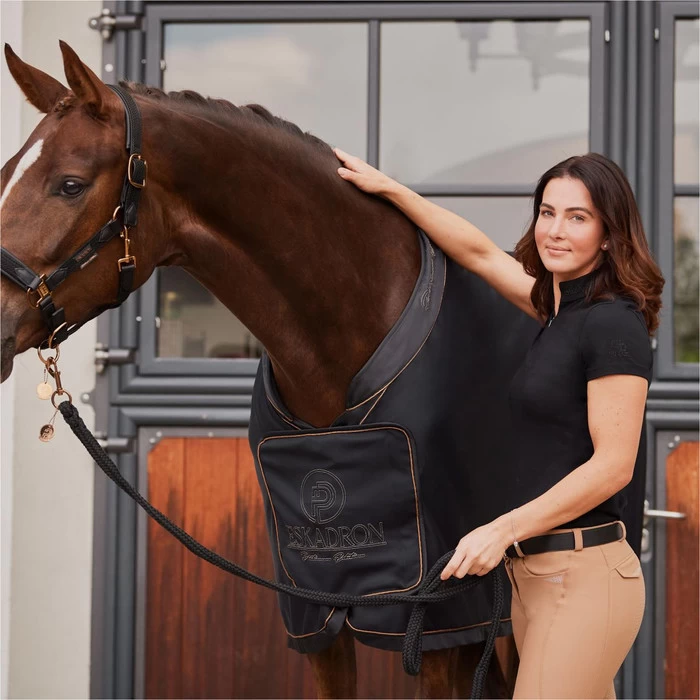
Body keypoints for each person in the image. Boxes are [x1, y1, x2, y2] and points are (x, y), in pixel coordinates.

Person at [333, 148, 664, 699]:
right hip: (534, 580)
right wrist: (390, 189)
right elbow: (480, 252)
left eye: (577, 217)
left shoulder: (613, 324)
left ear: (609, 234)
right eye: (547, 212)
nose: (555, 230)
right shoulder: (558, 311)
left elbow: (613, 466)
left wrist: (501, 529)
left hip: (585, 578)